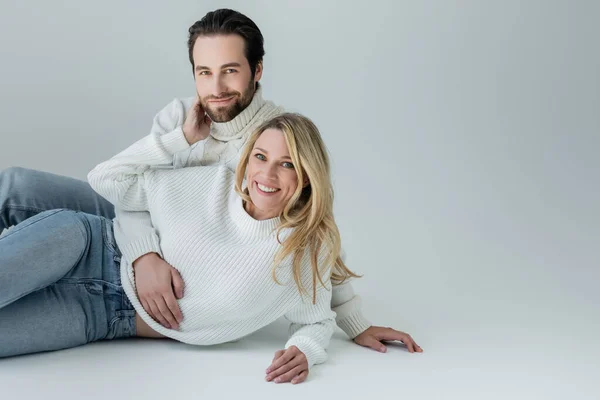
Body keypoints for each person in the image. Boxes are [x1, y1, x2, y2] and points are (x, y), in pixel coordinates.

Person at [0, 8, 422, 355]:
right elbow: (132, 192)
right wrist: (145, 253)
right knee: (15, 187)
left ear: (257, 71)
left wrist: (353, 322)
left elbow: (318, 232)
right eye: (204, 72)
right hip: (135, 223)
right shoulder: (181, 118)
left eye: (230, 71)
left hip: (160, 251)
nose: (215, 89)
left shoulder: (270, 146)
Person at [2, 113, 354, 384]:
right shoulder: (213, 184)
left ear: (307, 175)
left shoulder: (307, 251)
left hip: (103, 319)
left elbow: (317, 320)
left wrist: (305, 350)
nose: (267, 174)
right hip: (89, 246)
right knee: (13, 188)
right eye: (260, 157)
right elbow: (110, 180)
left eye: (287, 164)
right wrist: (179, 139)